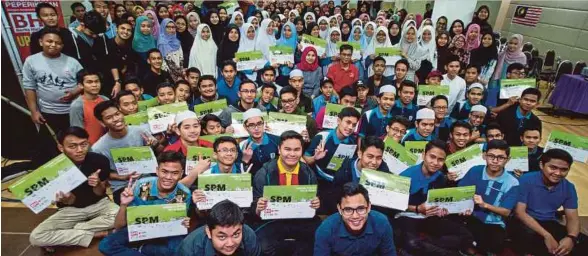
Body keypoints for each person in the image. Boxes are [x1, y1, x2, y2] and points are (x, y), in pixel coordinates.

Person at [29, 127, 118, 250]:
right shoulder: (51, 167)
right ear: (61, 148)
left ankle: (70, 233)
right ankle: (98, 233)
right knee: (36, 237)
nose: (80, 150)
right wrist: (67, 199)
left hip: (100, 204)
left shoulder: (99, 160)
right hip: (70, 210)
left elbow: (100, 193)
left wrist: (97, 184)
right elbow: (69, 201)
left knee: (122, 217)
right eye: (73, 146)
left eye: (84, 144)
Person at [98, 151, 191, 255]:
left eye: (175, 173)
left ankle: (143, 249)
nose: (168, 177)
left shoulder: (183, 193)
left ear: (181, 174)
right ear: (157, 171)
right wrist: (123, 205)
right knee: (106, 245)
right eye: (164, 171)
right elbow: (119, 226)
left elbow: (179, 225)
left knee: (178, 251)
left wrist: (183, 222)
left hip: (166, 232)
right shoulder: (143, 186)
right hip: (139, 231)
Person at [396, 140, 473, 255]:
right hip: (407, 216)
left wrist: (444, 210)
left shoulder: (441, 177)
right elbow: (394, 204)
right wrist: (417, 209)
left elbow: (439, 202)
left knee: (465, 234)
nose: (435, 162)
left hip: (430, 217)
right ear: (423, 155)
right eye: (432, 157)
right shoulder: (406, 175)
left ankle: (428, 244)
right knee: (412, 243)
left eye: (440, 160)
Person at [252, 131, 321, 256]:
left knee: (318, 238)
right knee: (263, 246)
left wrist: (316, 204)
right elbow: (254, 208)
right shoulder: (263, 173)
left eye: (297, 150)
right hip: (272, 221)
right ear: (279, 149)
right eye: (287, 149)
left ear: (301, 151)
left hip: (300, 219)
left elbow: (312, 205)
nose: (292, 154)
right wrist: (258, 207)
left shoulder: (308, 173)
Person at [23, 27, 84, 167]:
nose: (53, 45)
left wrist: (74, 92)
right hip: (48, 112)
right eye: (49, 41)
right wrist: (34, 111)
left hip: (73, 111)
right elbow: (29, 87)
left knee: (75, 144)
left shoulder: (72, 62)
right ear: (40, 42)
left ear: (62, 45)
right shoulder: (31, 61)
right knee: (51, 147)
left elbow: (84, 82)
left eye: (57, 43)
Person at [511, 149, 582, 256]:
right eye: (553, 168)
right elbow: (520, 213)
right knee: (533, 240)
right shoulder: (526, 180)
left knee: (582, 242)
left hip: (549, 222)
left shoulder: (569, 187)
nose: (558, 173)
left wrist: (571, 238)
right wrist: (547, 236)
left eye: (564, 169)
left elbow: (572, 218)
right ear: (541, 165)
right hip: (525, 222)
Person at [91, 100, 160, 204]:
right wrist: (123, 177)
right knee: (130, 210)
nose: (116, 119)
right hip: (121, 186)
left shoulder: (140, 131)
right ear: (102, 122)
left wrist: (154, 145)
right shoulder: (98, 148)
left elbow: (158, 153)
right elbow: (103, 174)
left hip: (145, 180)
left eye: (117, 114)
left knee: (148, 203)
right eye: (109, 118)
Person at [458, 139, 519, 254]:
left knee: (493, 245)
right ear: (484, 156)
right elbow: (460, 192)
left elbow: (506, 211)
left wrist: (484, 205)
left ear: (508, 160)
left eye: (501, 158)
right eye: (491, 156)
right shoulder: (474, 171)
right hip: (471, 216)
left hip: (494, 223)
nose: (495, 161)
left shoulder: (512, 182)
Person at [314, 183, 396, 256]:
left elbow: (389, 253)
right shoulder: (326, 229)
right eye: (348, 210)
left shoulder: (381, 223)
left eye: (360, 209)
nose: (355, 216)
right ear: (339, 209)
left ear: (369, 207)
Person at [304, 107, 361, 214]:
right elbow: (305, 159)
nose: (350, 127)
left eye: (354, 125)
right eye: (347, 122)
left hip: (339, 183)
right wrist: (315, 158)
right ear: (339, 121)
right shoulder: (322, 137)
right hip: (320, 182)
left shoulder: (353, 142)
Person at [178, 200, 261, 256]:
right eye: (222, 237)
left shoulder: (249, 235)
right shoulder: (190, 249)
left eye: (236, 235)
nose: (230, 243)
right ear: (208, 232)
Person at [69, 70, 109, 144]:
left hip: (109, 142)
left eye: (96, 81)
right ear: (81, 85)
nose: (94, 85)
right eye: (89, 82)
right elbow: (77, 132)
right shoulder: (77, 106)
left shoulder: (105, 99)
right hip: (92, 146)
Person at [487, 34, 527, 107]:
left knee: (505, 104)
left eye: (515, 44)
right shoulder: (502, 54)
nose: (512, 46)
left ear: (520, 44)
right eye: (510, 43)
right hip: (497, 81)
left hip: (511, 84)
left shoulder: (522, 57)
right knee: (492, 103)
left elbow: (521, 75)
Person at [239, 108, 280, 175]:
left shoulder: (276, 140)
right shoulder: (242, 146)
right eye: (251, 125)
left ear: (264, 124)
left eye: (259, 123)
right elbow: (239, 174)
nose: (256, 128)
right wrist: (245, 160)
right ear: (245, 127)